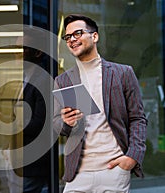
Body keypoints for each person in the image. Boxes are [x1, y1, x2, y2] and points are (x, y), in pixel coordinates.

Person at [53, 14, 147, 193]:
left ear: (94, 36)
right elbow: (57, 125)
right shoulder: (63, 80)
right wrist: (66, 122)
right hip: (78, 173)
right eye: (68, 37)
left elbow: (138, 119)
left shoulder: (122, 73)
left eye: (78, 34)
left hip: (113, 169)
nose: (72, 40)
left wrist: (132, 157)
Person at [0, 31, 52, 193]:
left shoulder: (44, 81)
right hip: (17, 157)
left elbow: (40, 123)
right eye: (16, 47)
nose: (16, 52)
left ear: (37, 52)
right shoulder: (26, 77)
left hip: (31, 161)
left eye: (22, 48)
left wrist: (7, 126)